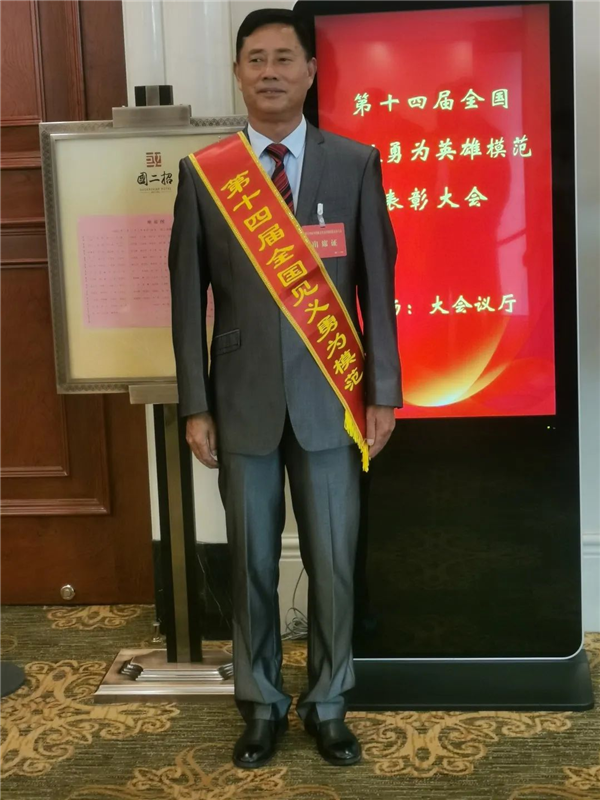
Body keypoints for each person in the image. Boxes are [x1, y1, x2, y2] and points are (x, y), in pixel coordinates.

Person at [168, 8, 402, 769]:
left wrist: (383, 392)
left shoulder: (355, 163)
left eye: (283, 57)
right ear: (238, 72)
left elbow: (376, 286)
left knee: (333, 562)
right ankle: (261, 704)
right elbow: (187, 299)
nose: (269, 71)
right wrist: (195, 404)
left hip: (333, 398)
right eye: (255, 59)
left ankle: (329, 704)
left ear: (309, 71)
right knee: (250, 565)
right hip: (240, 402)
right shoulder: (207, 174)